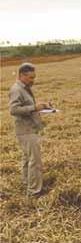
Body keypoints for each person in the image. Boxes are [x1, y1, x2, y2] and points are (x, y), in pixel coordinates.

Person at [9, 63, 50, 197]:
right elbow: (13, 110)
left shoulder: (24, 88)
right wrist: (34, 108)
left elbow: (28, 106)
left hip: (28, 128)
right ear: (21, 75)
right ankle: (35, 191)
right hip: (25, 130)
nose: (33, 80)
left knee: (27, 159)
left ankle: (28, 185)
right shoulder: (16, 89)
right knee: (35, 161)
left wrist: (43, 107)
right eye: (30, 78)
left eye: (34, 77)